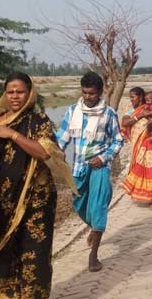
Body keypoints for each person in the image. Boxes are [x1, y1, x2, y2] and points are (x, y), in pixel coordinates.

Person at [0, 72, 76, 299]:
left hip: (35, 201)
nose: (15, 96)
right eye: (10, 92)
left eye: (20, 91)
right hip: (2, 200)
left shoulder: (39, 122)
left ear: (30, 93)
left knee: (34, 253)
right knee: (4, 253)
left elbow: (46, 152)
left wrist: (13, 135)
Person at [56, 71, 124, 272]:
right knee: (80, 206)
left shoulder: (109, 114)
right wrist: (50, 153)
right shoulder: (72, 111)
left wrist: (103, 158)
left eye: (92, 93)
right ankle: (93, 228)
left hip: (100, 169)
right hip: (78, 168)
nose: (87, 97)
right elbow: (61, 138)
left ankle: (94, 254)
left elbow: (118, 140)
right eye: (84, 93)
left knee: (99, 207)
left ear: (100, 92)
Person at [121, 87, 152, 210]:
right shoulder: (130, 110)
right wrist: (139, 116)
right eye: (130, 97)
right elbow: (125, 123)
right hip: (139, 145)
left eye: (133, 97)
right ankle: (140, 194)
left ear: (140, 97)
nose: (131, 99)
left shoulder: (149, 107)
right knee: (140, 169)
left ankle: (151, 198)